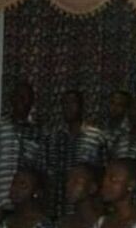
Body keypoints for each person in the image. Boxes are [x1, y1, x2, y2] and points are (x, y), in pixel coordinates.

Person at [0, 82, 43, 213]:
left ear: (32, 102)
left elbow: (39, 171)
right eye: (18, 96)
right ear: (11, 99)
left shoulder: (38, 132)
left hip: (26, 206)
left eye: (25, 97)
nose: (20, 100)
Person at [46, 90, 107, 218]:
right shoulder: (54, 137)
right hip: (58, 206)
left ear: (82, 106)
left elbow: (103, 173)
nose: (68, 107)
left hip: (87, 208)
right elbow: (48, 172)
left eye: (72, 102)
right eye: (64, 103)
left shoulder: (96, 136)